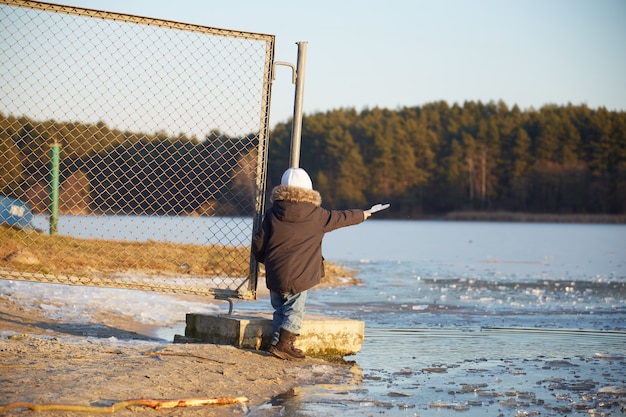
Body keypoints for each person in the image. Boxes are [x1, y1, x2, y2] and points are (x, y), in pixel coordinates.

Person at [252, 167, 371, 360]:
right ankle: (284, 344)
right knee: (294, 310)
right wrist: (362, 214)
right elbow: (342, 217)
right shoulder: (318, 215)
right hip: (300, 275)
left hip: (276, 274)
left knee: (280, 309)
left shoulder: (272, 214)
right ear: (309, 190)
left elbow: (258, 242)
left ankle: (275, 344)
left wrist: (266, 261)